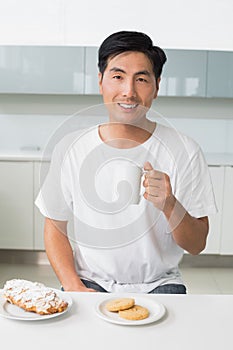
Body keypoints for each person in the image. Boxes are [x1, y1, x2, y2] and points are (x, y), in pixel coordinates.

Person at [35, 30, 217, 294]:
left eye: (141, 79)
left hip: (161, 284)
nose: (128, 92)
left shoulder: (185, 150)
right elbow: (54, 227)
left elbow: (197, 244)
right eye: (118, 77)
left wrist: (169, 205)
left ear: (157, 86)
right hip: (89, 281)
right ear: (100, 81)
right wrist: (73, 286)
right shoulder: (72, 148)